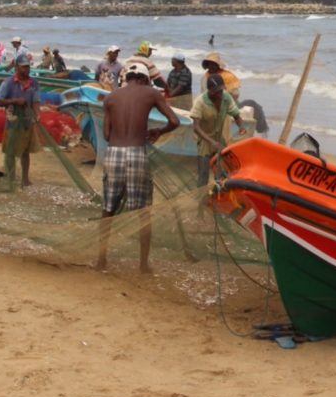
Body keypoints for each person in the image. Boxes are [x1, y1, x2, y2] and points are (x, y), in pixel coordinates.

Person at [96, 62, 180, 273]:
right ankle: (143, 264)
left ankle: (101, 260)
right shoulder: (151, 93)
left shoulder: (111, 97)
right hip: (136, 154)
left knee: (108, 210)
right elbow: (175, 121)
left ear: (128, 78)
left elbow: (106, 135)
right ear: (144, 79)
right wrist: (158, 131)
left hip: (114, 153)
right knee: (143, 213)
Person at [190, 74, 246, 187]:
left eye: (221, 91)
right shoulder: (200, 102)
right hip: (205, 140)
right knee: (203, 175)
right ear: (209, 90)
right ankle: (201, 202)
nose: (220, 94)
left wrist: (241, 127)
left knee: (222, 174)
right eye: (216, 92)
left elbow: (236, 115)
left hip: (221, 139)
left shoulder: (226, 98)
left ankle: (220, 197)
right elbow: (196, 127)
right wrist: (212, 142)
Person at [0, 52, 41, 187]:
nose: (26, 69)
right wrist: (14, 101)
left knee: (25, 151)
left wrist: (37, 114)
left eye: (28, 67)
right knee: (10, 151)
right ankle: (10, 176)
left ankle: (25, 179)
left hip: (27, 122)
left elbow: (36, 101)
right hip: (12, 122)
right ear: (16, 67)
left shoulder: (34, 83)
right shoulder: (8, 83)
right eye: (23, 67)